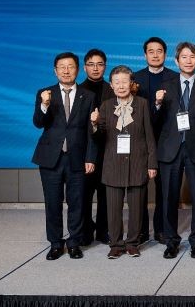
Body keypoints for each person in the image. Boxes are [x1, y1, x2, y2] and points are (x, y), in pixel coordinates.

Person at [153, 41, 195, 259]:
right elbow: (155, 121)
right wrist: (157, 104)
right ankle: (171, 241)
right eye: (184, 57)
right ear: (176, 60)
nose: (188, 61)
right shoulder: (165, 85)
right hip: (170, 149)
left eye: (192, 57)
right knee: (168, 198)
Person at [32, 52, 96, 260]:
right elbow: (38, 123)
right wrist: (44, 105)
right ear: (55, 70)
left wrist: (90, 158)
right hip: (51, 158)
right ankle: (56, 244)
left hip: (78, 157)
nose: (66, 71)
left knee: (77, 202)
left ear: (77, 70)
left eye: (70, 66)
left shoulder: (88, 95)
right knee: (53, 202)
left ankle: (74, 242)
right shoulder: (45, 93)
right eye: (62, 67)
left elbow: (91, 131)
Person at [90, 66, 158, 259]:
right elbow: (100, 136)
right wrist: (94, 123)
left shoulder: (142, 104)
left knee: (136, 208)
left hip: (138, 162)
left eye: (124, 82)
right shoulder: (106, 106)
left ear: (132, 84)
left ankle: (132, 243)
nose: (121, 86)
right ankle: (116, 244)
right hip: (113, 164)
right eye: (117, 82)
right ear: (111, 85)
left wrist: (152, 163)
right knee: (113, 208)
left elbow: (150, 136)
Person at [133, 36, 177, 245]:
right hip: (140, 140)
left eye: (159, 51)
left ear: (165, 54)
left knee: (163, 188)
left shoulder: (175, 77)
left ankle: (161, 229)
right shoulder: (135, 78)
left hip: (166, 140)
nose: (155, 55)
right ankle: (141, 230)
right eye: (151, 51)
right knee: (139, 186)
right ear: (145, 55)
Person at [78, 48, 114, 246]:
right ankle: (84, 230)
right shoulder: (78, 90)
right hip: (85, 152)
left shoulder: (112, 89)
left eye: (99, 64)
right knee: (84, 194)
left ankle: (103, 230)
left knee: (105, 193)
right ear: (84, 68)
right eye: (91, 64)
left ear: (105, 67)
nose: (95, 68)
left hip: (108, 150)